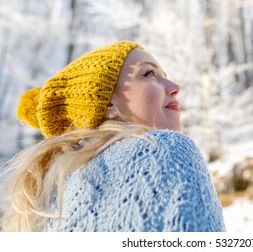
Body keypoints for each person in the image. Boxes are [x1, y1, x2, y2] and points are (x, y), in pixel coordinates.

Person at [1, 41, 226, 232]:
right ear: (105, 102)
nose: (175, 86)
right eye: (149, 73)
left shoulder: (50, 192)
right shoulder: (167, 149)